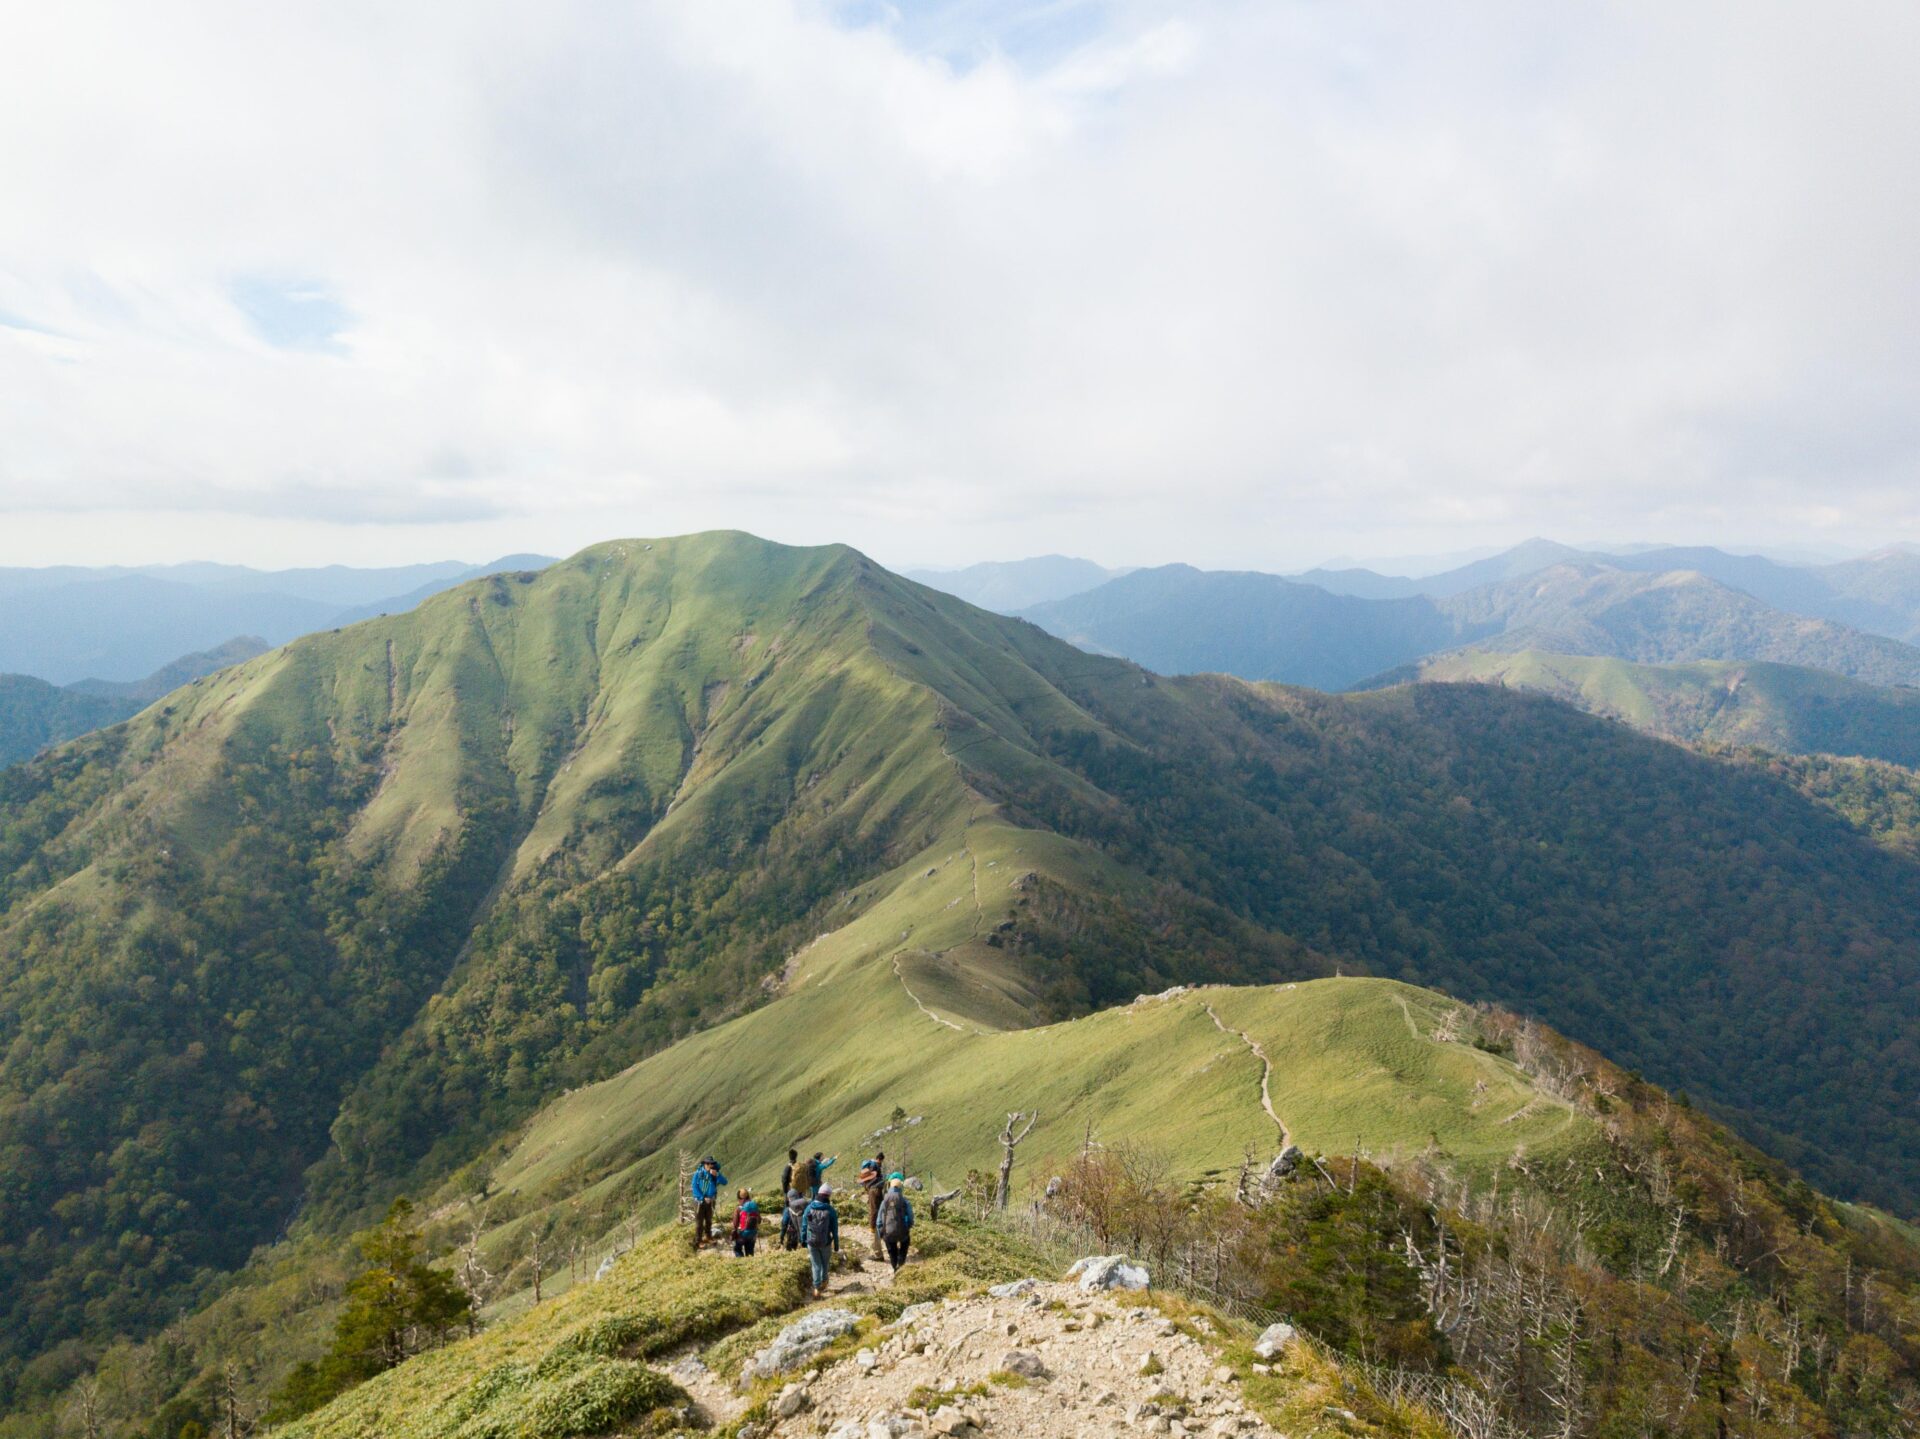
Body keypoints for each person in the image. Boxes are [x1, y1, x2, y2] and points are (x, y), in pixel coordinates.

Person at [801, 1184, 840, 1297]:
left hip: (811, 1242)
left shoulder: (809, 1207)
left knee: (816, 1265)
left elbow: (804, 1226)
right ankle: (824, 1282)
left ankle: (817, 1288)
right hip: (826, 1242)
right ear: (828, 1196)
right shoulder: (830, 1210)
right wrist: (836, 1243)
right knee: (824, 1263)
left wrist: (803, 1239)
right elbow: (835, 1229)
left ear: (818, 1193)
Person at [690, 1156, 727, 1252]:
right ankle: (698, 1241)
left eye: (711, 1164)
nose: (709, 1166)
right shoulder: (698, 1174)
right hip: (699, 1201)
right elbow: (694, 1187)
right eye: (707, 1164)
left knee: (709, 1220)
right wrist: (703, 1197)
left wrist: (717, 1175)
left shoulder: (714, 1174)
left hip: (711, 1201)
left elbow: (725, 1182)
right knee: (699, 1222)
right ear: (703, 1164)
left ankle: (708, 1236)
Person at [877, 1175, 914, 1272]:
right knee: (905, 1244)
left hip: (888, 1232)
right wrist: (908, 1227)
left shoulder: (884, 1200)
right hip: (902, 1231)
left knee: (891, 1250)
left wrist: (881, 1231)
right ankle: (901, 1264)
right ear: (900, 1187)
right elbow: (910, 1217)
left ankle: (895, 1268)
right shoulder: (904, 1200)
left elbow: (879, 1220)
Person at [858, 1158, 885, 1259]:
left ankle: (878, 1255)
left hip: (878, 1219)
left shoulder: (873, 1190)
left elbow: (874, 1210)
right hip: (883, 1216)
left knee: (876, 1236)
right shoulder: (878, 1184)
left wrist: (872, 1226)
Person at [731, 1188, 760, 1257]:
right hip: (753, 1234)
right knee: (750, 1251)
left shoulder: (738, 1209)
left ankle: (741, 1264)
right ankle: (750, 1265)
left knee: (737, 1249)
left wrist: (733, 1233)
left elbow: (735, 1224)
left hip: (742, 1234)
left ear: (739, 1198)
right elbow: (759, 1220)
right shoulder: (754, 1206)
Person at [781, 1186, 807, 1251]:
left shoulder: (788, 1209)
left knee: (791, 1250)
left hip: (793, 1234)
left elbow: (784, 1223)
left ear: (789, 1198)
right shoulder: (806, 1204)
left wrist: (782, 1236)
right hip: (809, 1234)